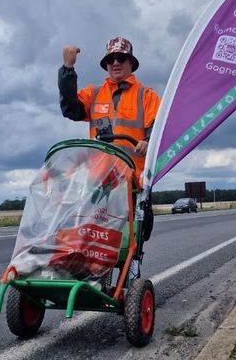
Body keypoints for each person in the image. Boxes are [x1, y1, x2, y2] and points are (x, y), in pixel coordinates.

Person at [58, 36, 161, 248]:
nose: (115, 63)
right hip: (98, 182)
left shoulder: (146, 95)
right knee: (93, 238)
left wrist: (148, 140)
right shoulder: (93, 94)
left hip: (132, 182)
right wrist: (67, 69)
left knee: (128, 241)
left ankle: (131, 275)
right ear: (106, 64)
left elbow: (157, 128)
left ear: (131, 62)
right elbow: (70, 109)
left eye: (121, 58)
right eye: (111, 59)